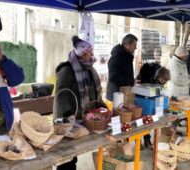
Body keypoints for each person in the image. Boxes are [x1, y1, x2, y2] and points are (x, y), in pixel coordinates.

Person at [53, 36, 101, 170]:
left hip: (84, 117)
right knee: (67, 156)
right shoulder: (67, 69)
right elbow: (61, 94)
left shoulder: (89, 69)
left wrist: (100, 106)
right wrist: (68, 114)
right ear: (83, 52)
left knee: (75, 152)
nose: (92, 54)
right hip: (67, 118)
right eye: (90, 51)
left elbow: (95, 92)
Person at [136, 63, 170, 149]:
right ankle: (138, 141)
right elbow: (143, 87)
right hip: (141, 96)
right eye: (162, 81)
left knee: (150, 121)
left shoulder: (160, 73)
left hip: (151, 98)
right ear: (158, 77)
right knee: (142, 119)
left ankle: (147, 140)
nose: (163, 83)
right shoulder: (147, 73)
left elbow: (159, 89)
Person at [106, 34, 138, 101]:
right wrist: (131, 81)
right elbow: (113, 77)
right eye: (134, 45)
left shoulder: (127, 56)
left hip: (122, 93)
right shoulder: (117, 56)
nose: (136, 47)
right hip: (115, 95)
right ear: (127, 44)